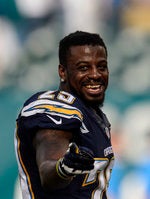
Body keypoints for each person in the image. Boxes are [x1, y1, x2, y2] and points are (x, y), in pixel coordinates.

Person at [14, 31, 114, 199]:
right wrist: (63, 167)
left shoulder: (95, 116)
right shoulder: (58, 107)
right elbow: (48, 167)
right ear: (62, 72)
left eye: (101, 67)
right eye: (83, 68)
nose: (96, 74)